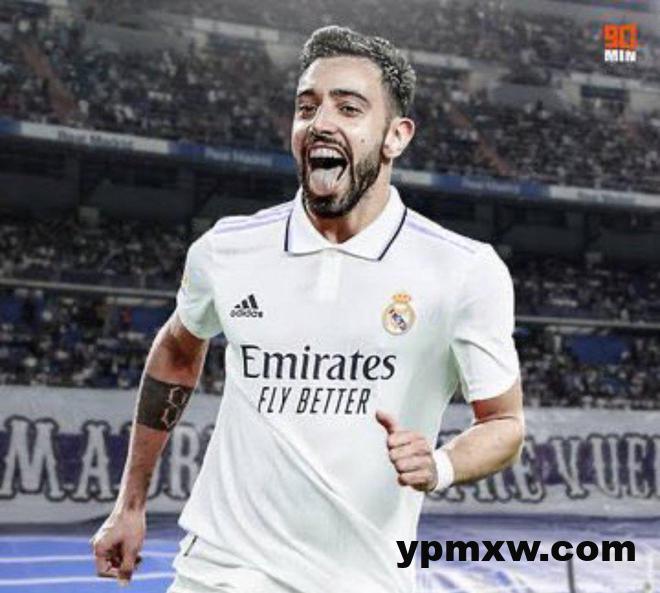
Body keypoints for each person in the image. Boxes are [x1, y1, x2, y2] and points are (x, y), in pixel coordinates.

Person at [91, 25, 524, 593]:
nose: (320, 122)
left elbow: (504, 424)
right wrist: (130, 503)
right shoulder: (228, 248)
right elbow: (177, 349)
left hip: (365, 579)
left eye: (349, 108)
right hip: (220, 571)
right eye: (307, 107)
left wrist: (440, 465)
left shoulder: (463, 270)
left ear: (396, 136)